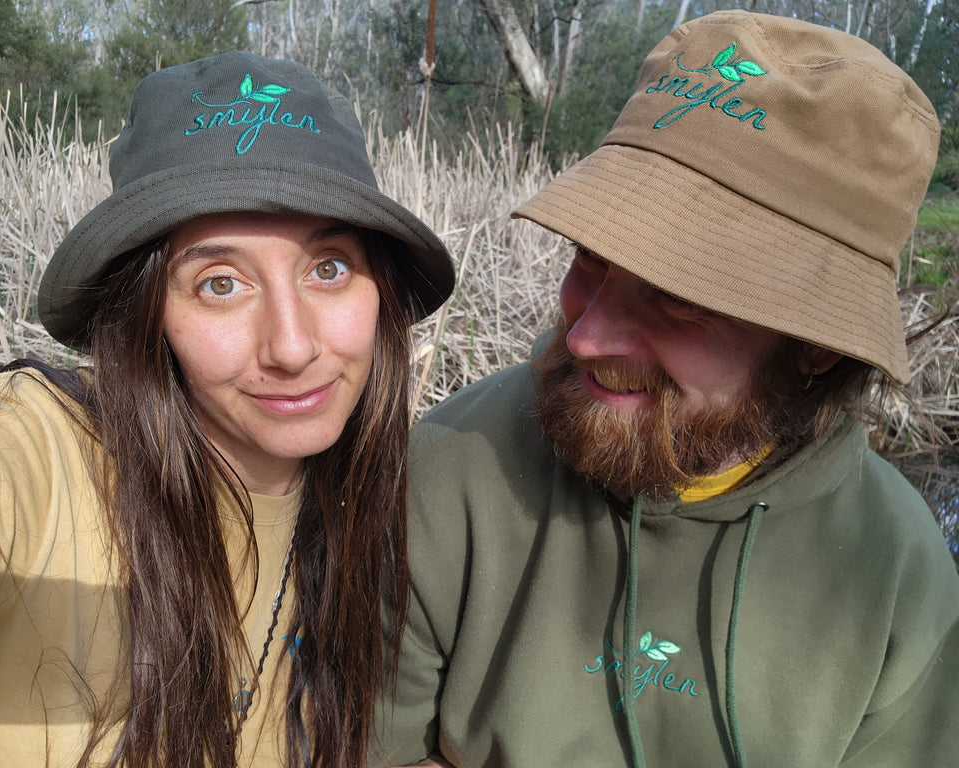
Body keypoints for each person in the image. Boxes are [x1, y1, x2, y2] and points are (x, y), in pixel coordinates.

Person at [373, 11, 959, 768]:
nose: (584, 335)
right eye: (591, 256)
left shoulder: (899, 583)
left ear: (816, 347)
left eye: (679, 294)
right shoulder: (447, 471)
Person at [0, 52, 454, 768]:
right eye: (219, 283)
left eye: (328, 268)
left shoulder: (377, 516)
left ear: (380, 293)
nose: (293, 346)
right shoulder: (14, 458)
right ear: (146, 312)